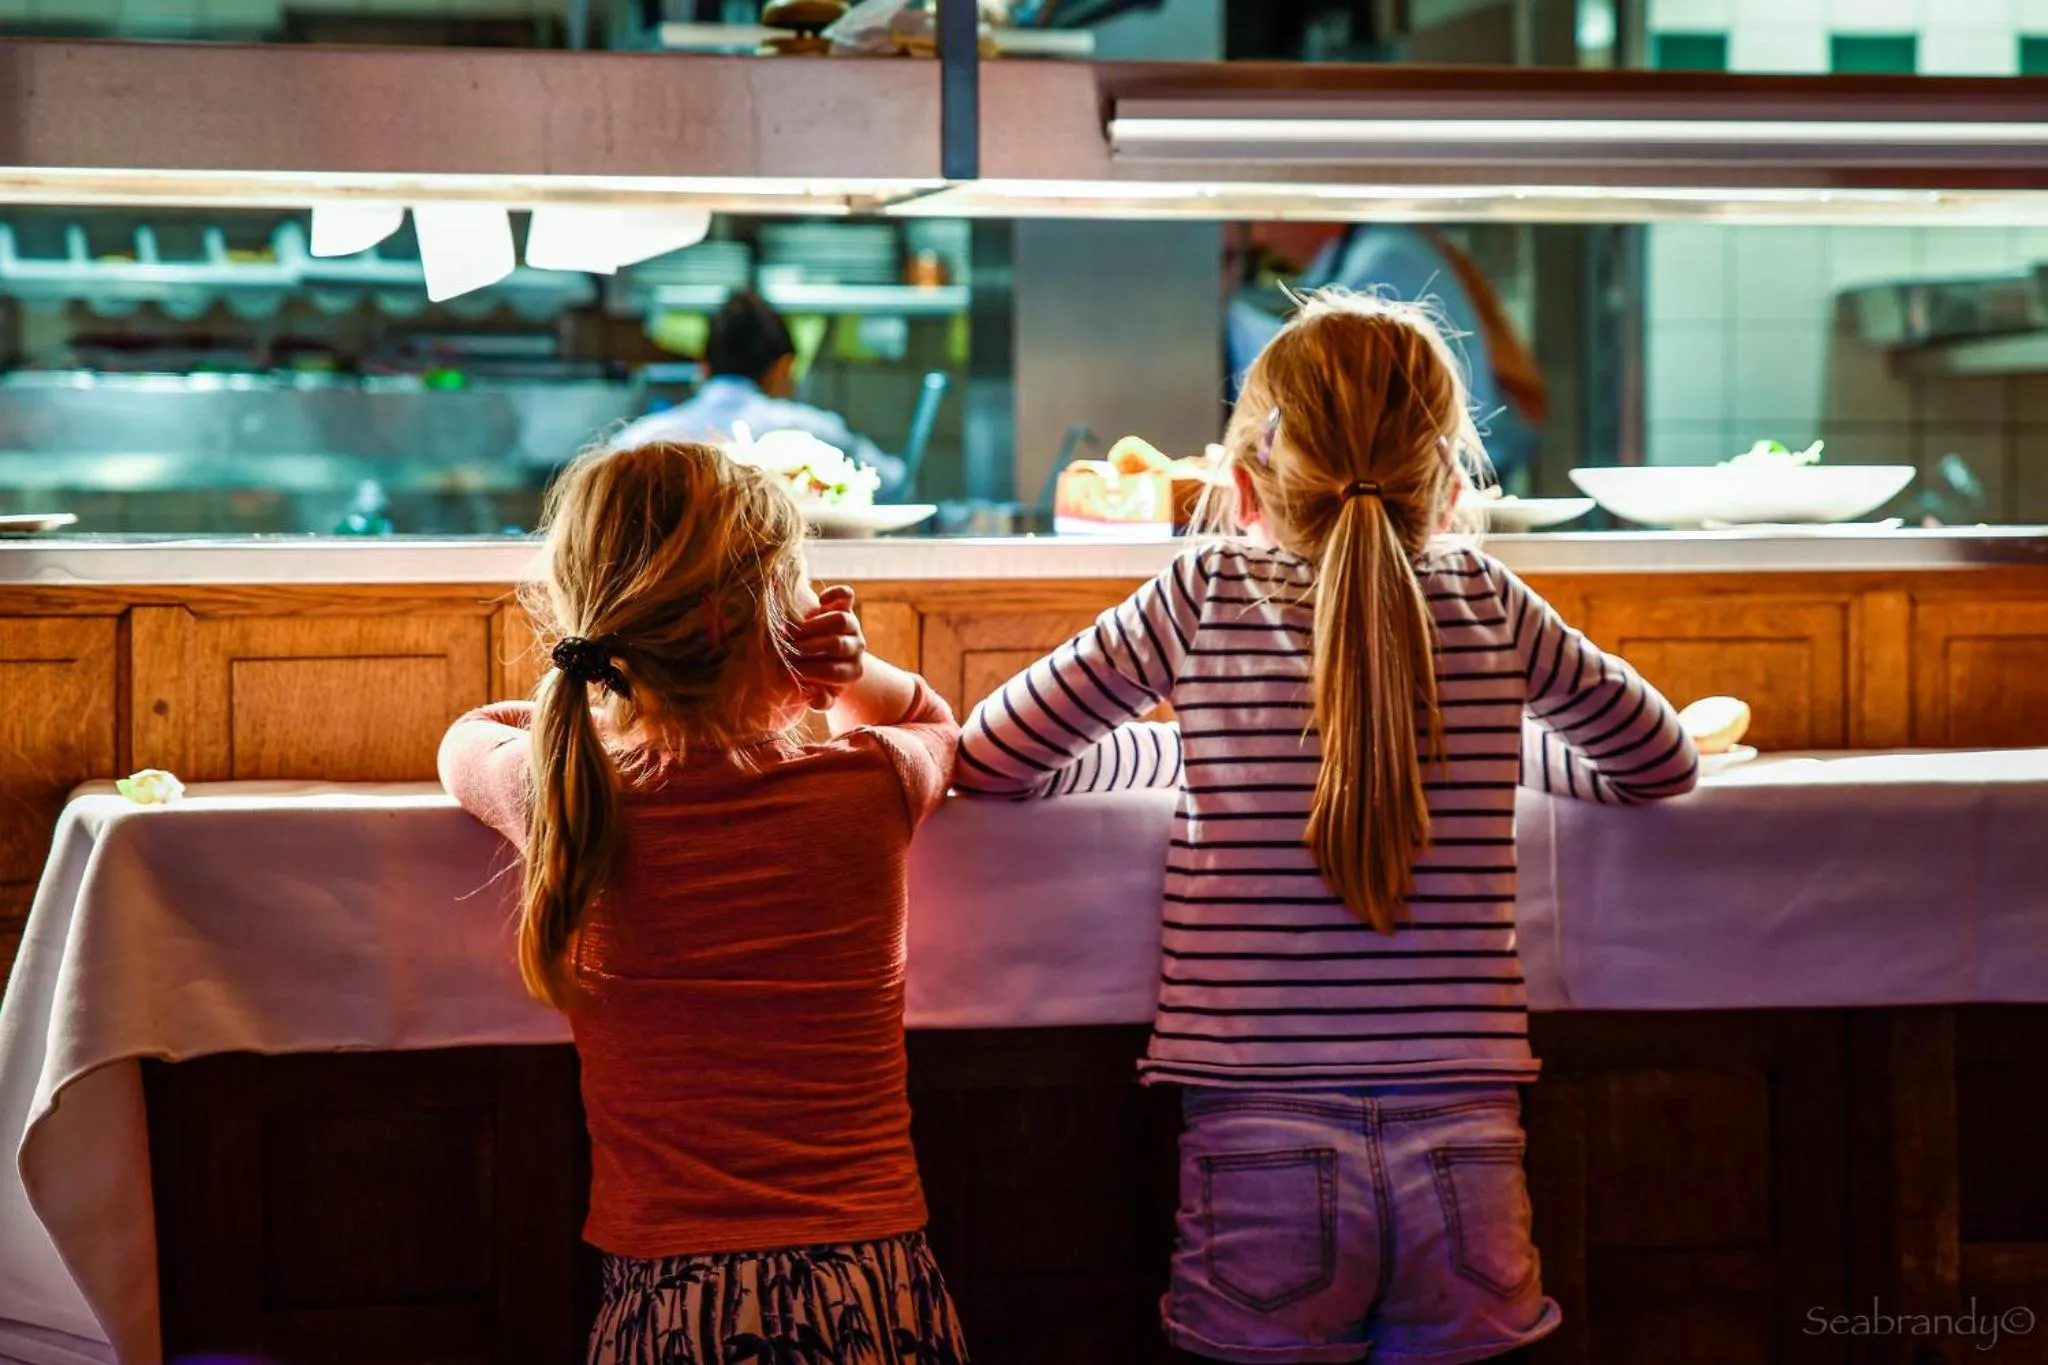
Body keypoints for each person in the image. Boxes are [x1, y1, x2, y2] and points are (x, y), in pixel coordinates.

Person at [955, 292, 1696, 1364]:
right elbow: (1654, 762)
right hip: (1467, 1138)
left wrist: (1181, 751)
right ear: (1447, 485)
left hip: (1254, 1125)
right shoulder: (1486, 597)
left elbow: (991, 756)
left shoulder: (1201, 590)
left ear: (1245, 482)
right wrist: (1475, 745)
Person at [438, 440, 967, 1365]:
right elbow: (930, 723)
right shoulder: (863, 789)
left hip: (669, 1305)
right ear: (757, 622)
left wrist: (603, 709)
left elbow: (468, 738)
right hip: (873, 1288)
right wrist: (846, 671)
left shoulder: (563, 796)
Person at [1228, 226, 1547, 485]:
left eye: (1264, 218)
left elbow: (1338, 411)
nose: (1260, 237)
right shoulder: (1384, 247)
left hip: (1459, 468)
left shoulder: (1381, 260)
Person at [617, 290, 908, 496]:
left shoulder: (638, 441)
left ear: (703, 368)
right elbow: (894, 483)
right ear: (783, 367)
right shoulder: (814, 436)